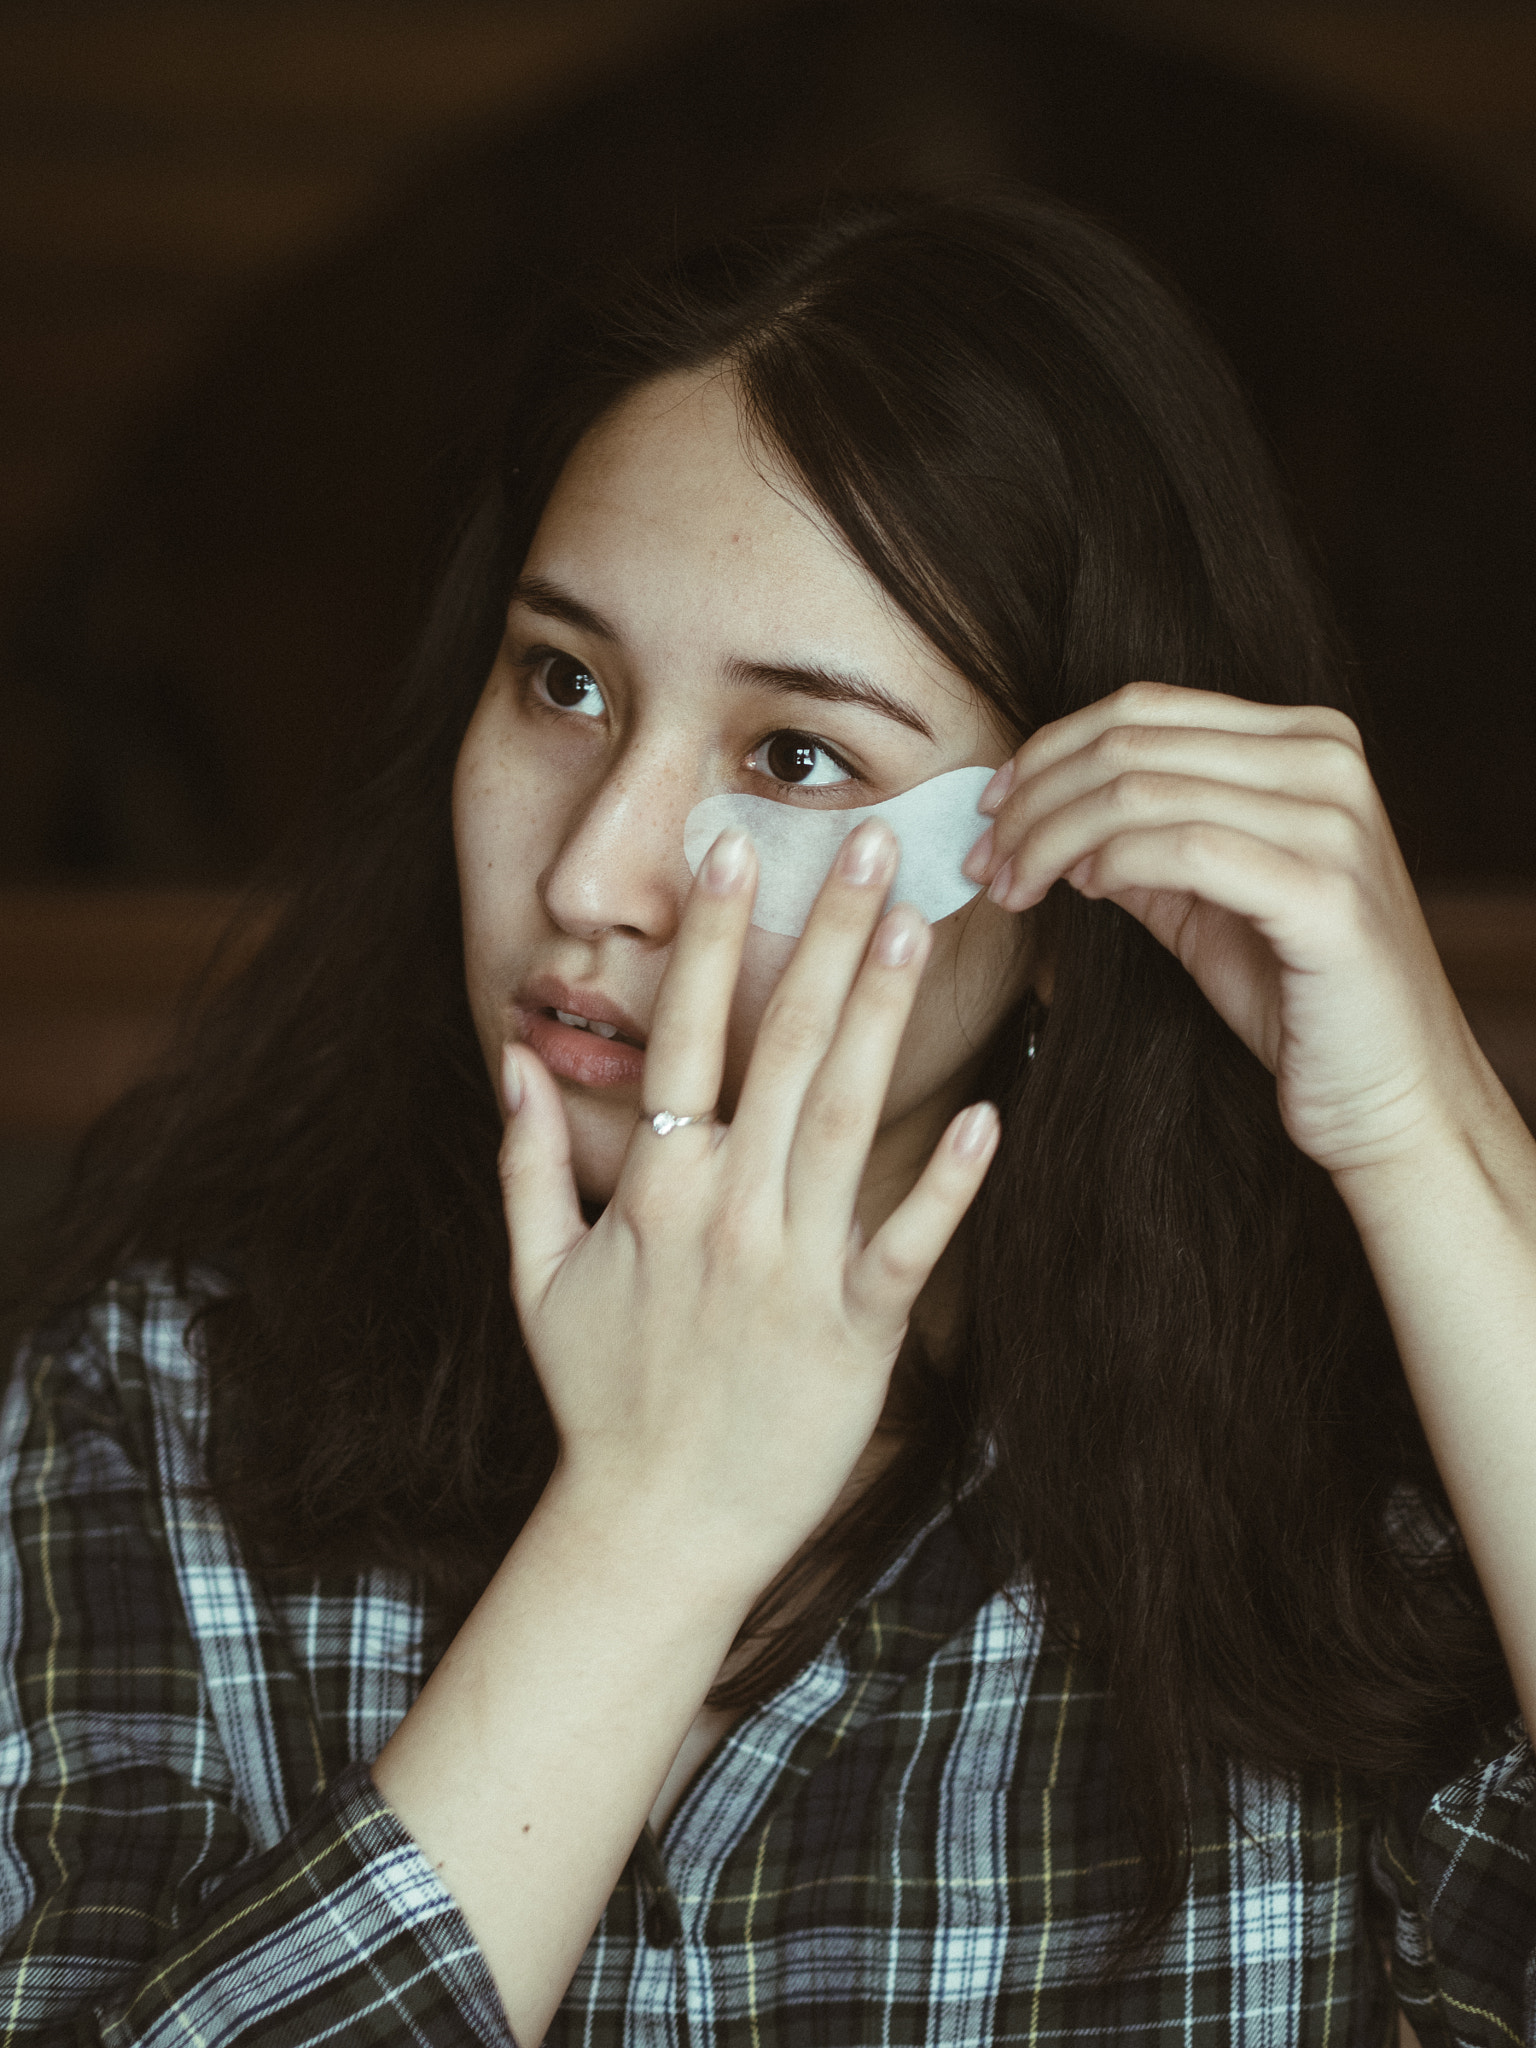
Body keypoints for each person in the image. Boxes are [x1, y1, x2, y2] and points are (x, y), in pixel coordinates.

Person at [3, 188, 1534, 2048]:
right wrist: (649, 1528)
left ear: (1081, 890)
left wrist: (1427, 1130)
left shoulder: (1375, 1486)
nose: (595, 872)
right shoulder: (154, 1403)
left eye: (795, 757)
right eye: (563, 682)